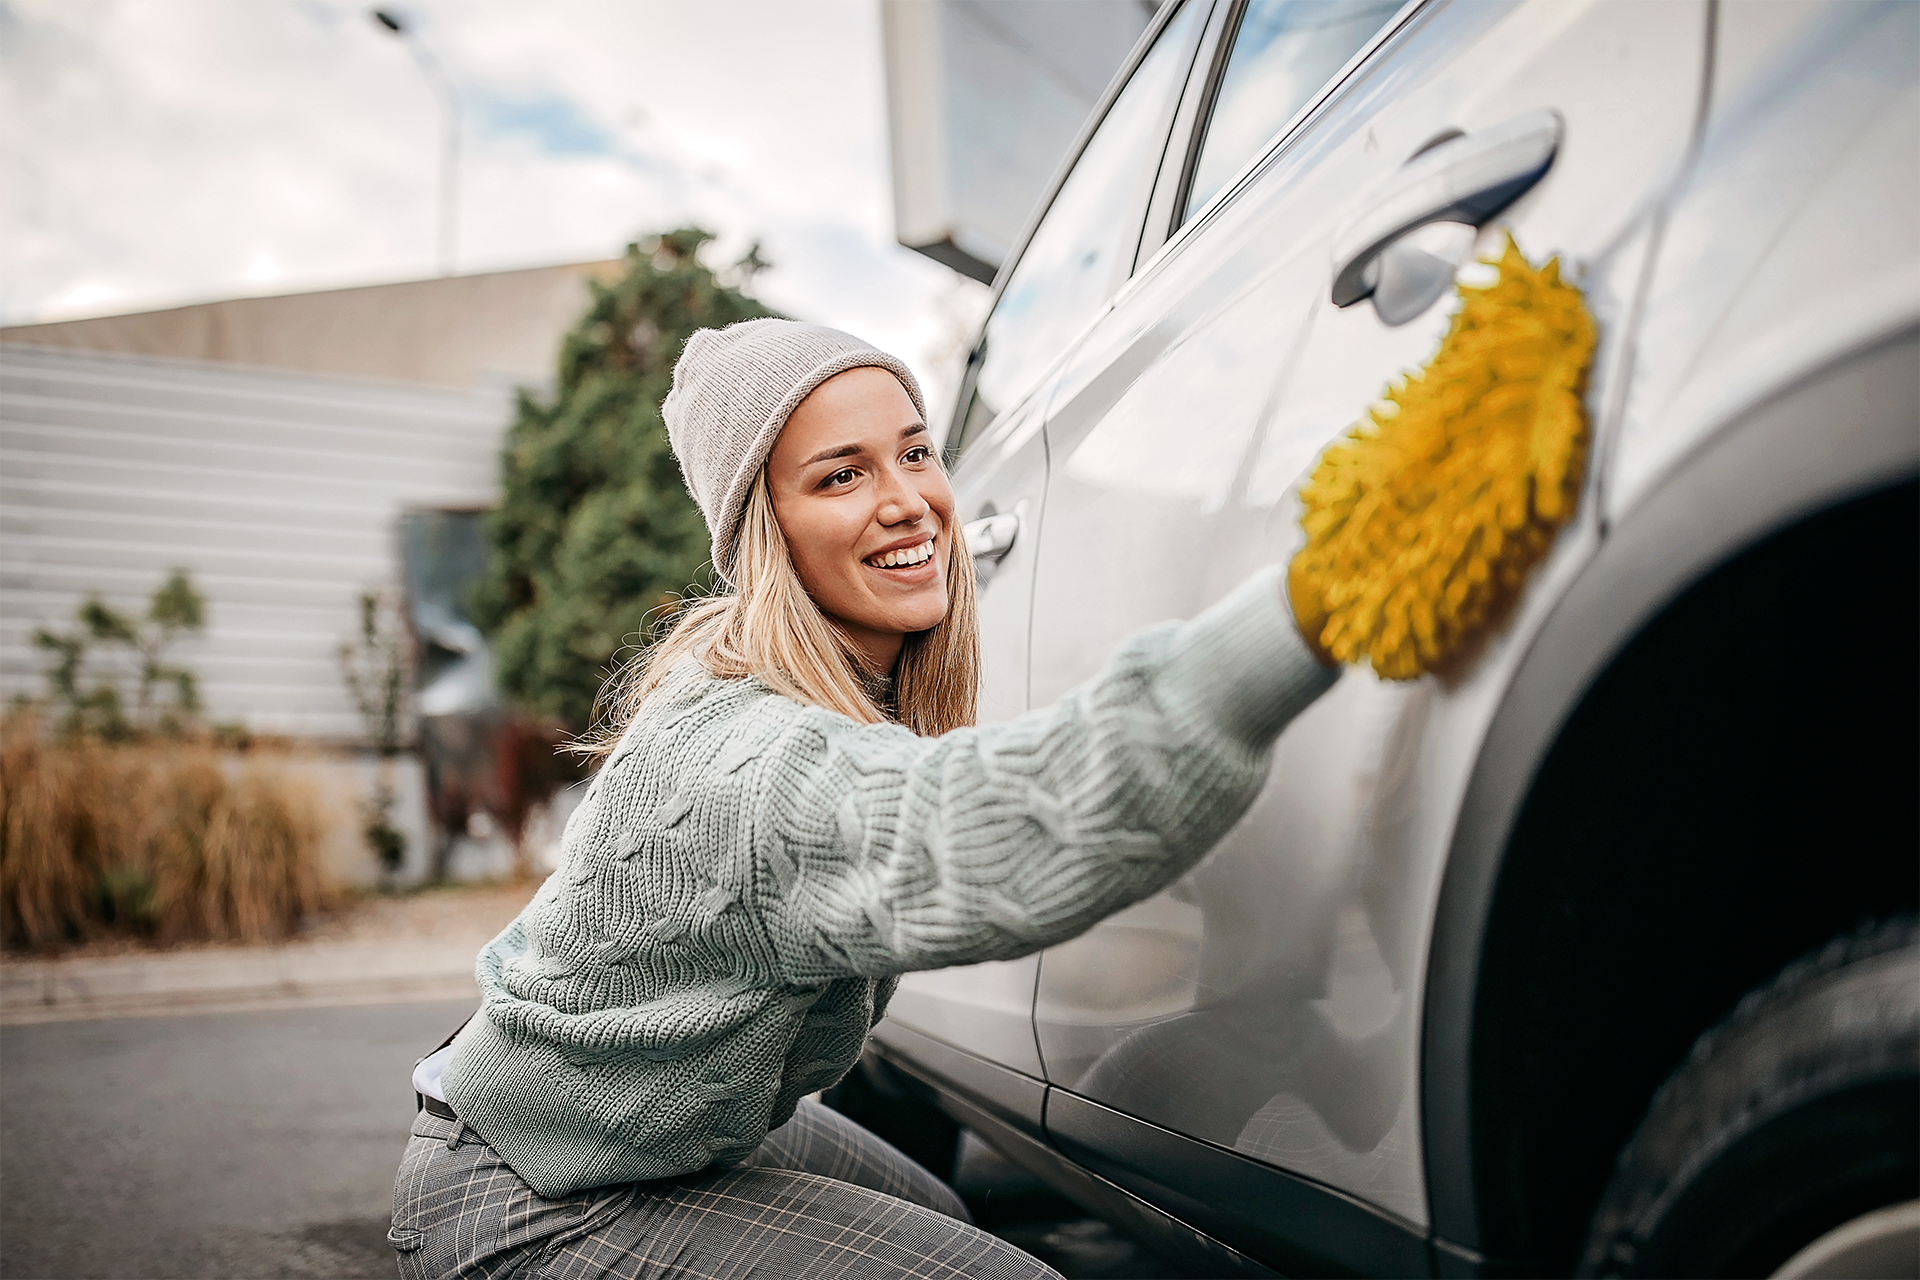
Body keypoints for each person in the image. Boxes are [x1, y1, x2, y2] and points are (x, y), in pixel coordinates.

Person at [389, 319, 1337, 1279]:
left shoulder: (822, 704)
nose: (908, 503)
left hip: (634, 1142)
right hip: (529, 1200)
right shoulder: (746, 761)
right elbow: (1006, 835)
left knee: (936, 1210)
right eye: (840, 475)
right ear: (767, 530)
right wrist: (1312, 600)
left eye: (916, 453)